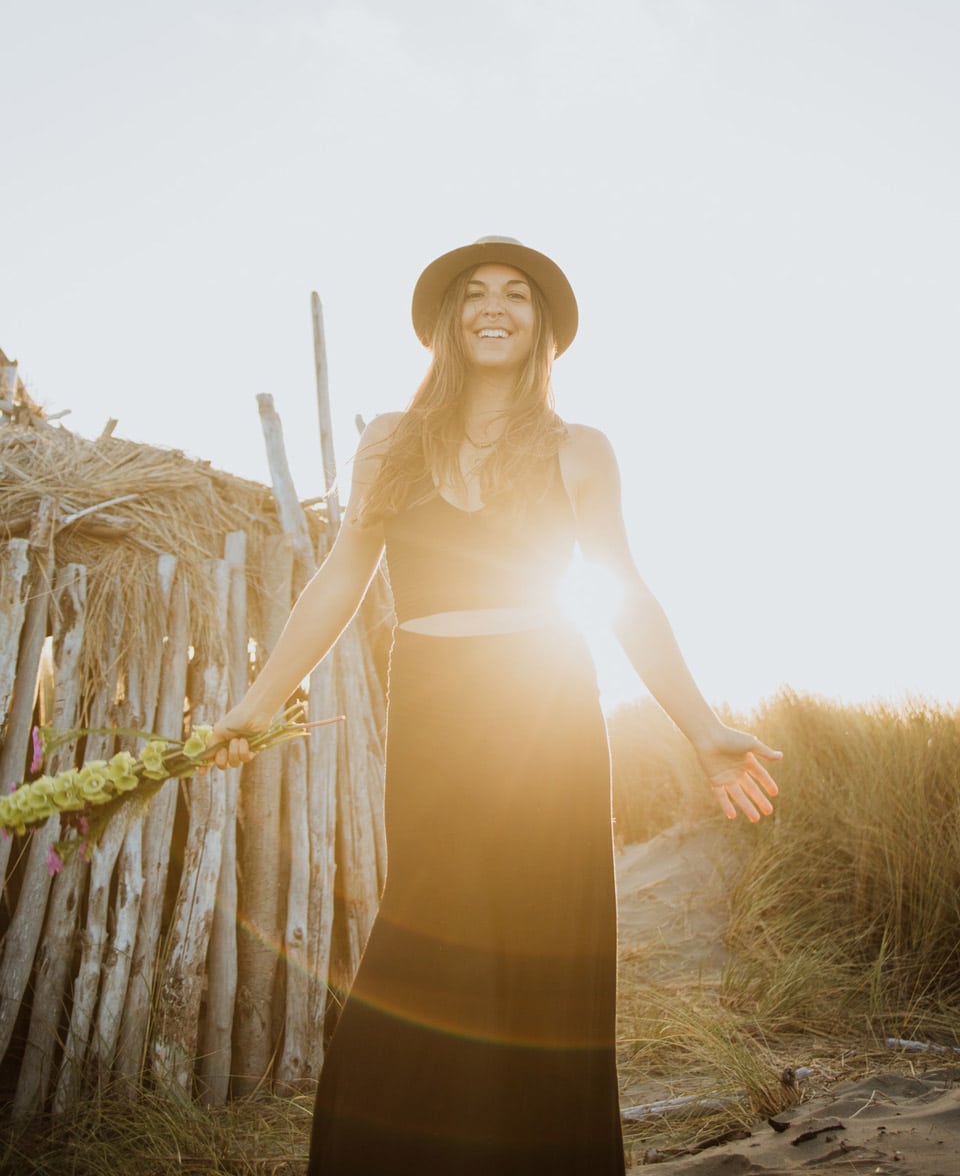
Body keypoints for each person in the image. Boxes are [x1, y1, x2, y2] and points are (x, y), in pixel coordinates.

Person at [209, 236, 781, 1175]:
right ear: (447, 319)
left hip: (548, 713)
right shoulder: (390, 441)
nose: (495, 307)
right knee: (427, 946)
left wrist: (706, 729)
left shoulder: (580, 451)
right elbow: (342, 577)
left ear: (541, 325)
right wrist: (259, 700)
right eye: (476, 293)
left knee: (546, 950)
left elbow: (626, 593)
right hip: (435, 715)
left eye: (517, 295)